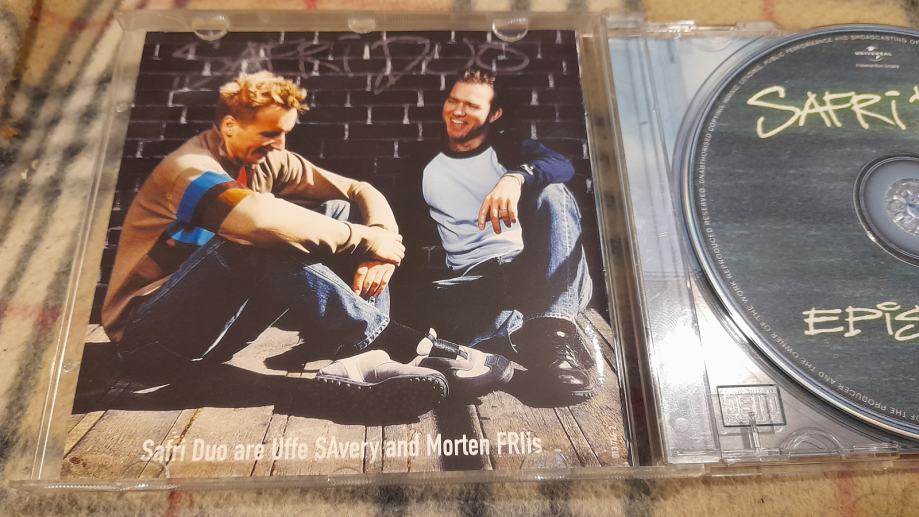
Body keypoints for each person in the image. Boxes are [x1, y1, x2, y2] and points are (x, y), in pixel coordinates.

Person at [101, 71, 512, 418]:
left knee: (336, 210)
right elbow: (257, 223)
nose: (281, 145)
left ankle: (363, 357)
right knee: (251, 239)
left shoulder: (266, 158)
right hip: (150, 341)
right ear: (229, 127)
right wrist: (367, 240)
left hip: (216, 337)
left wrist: (381, 245)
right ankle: (394, 342)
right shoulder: (188, 169)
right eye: (270, 133)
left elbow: (359, 190)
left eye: (285, 133)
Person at [416, 68, 594, 404]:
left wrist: (515, 178)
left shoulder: (510, 150)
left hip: (532, 271)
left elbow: (562, 165)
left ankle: (551, 336)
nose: (457, 111)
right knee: (434, 301)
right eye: (453, 101)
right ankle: (521, 335)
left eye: (472, 105)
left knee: (554, 193)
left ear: (494, 114)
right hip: (474, 282)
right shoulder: (424, 165)